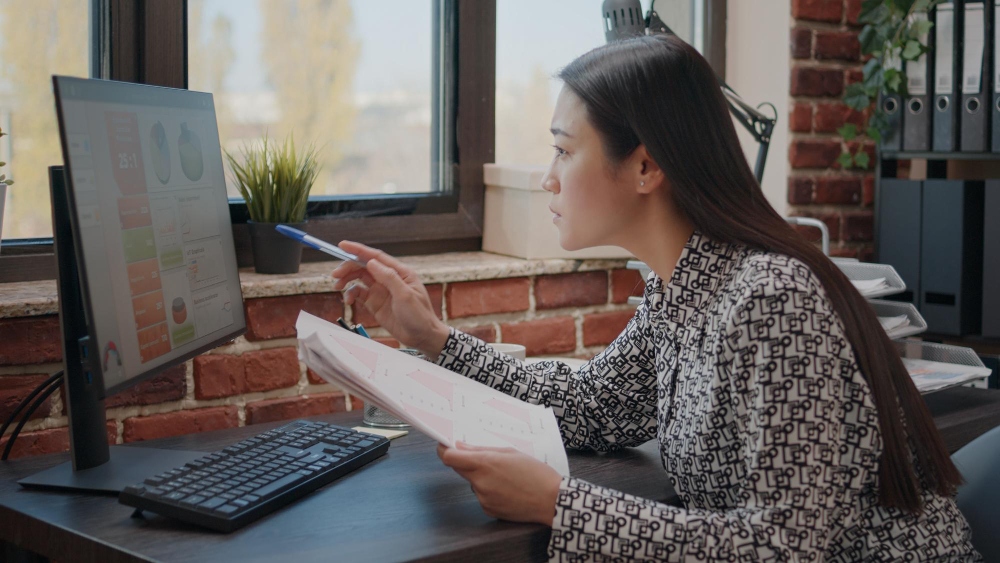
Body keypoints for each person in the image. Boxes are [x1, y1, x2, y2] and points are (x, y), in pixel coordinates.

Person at [331, 34, 981, 562]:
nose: (547, 177)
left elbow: (789, 548)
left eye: (563, 149)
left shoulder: (770, 300)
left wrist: (560, 504)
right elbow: (596, 407)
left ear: (645, 167)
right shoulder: (684, 287)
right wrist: (432, 339)